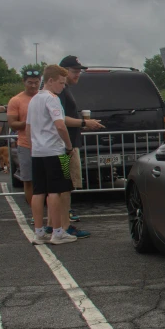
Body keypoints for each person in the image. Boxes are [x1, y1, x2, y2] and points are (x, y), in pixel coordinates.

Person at [25, 65, 77, 245]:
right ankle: (58, 232)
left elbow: (28, 128)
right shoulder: (52, 99)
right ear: (51, 81)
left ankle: (39, 232)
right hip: (56, 151)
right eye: (61, 83)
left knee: (38, 191)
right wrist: (68, 146)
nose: (63, 86)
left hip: (37, 152)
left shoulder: (33, 100)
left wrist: (34, 146)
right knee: (57, 191)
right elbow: (60, 125)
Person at [57, 55, 104, 239]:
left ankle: (58, 225)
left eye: (79, 71)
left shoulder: (64, 90)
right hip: (65, 146)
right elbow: (60, 120)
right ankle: (64, 226)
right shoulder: (60, 91)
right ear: (64, 71)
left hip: (67, 145)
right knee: (65, 185)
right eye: (75, 71)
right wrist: (84, 122)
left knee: (64, 186)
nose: (78, 75)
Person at [8, 69, 43, 207]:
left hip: (45, 145)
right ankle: (34, 211)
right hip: (26, 145)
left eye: (36, 82)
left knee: (46, 180)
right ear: (24, 82)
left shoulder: (46, 97)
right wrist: (28, 123)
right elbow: (12, 123)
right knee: (28, 180)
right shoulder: (16, 100)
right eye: (30, 83)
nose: (33, 86)